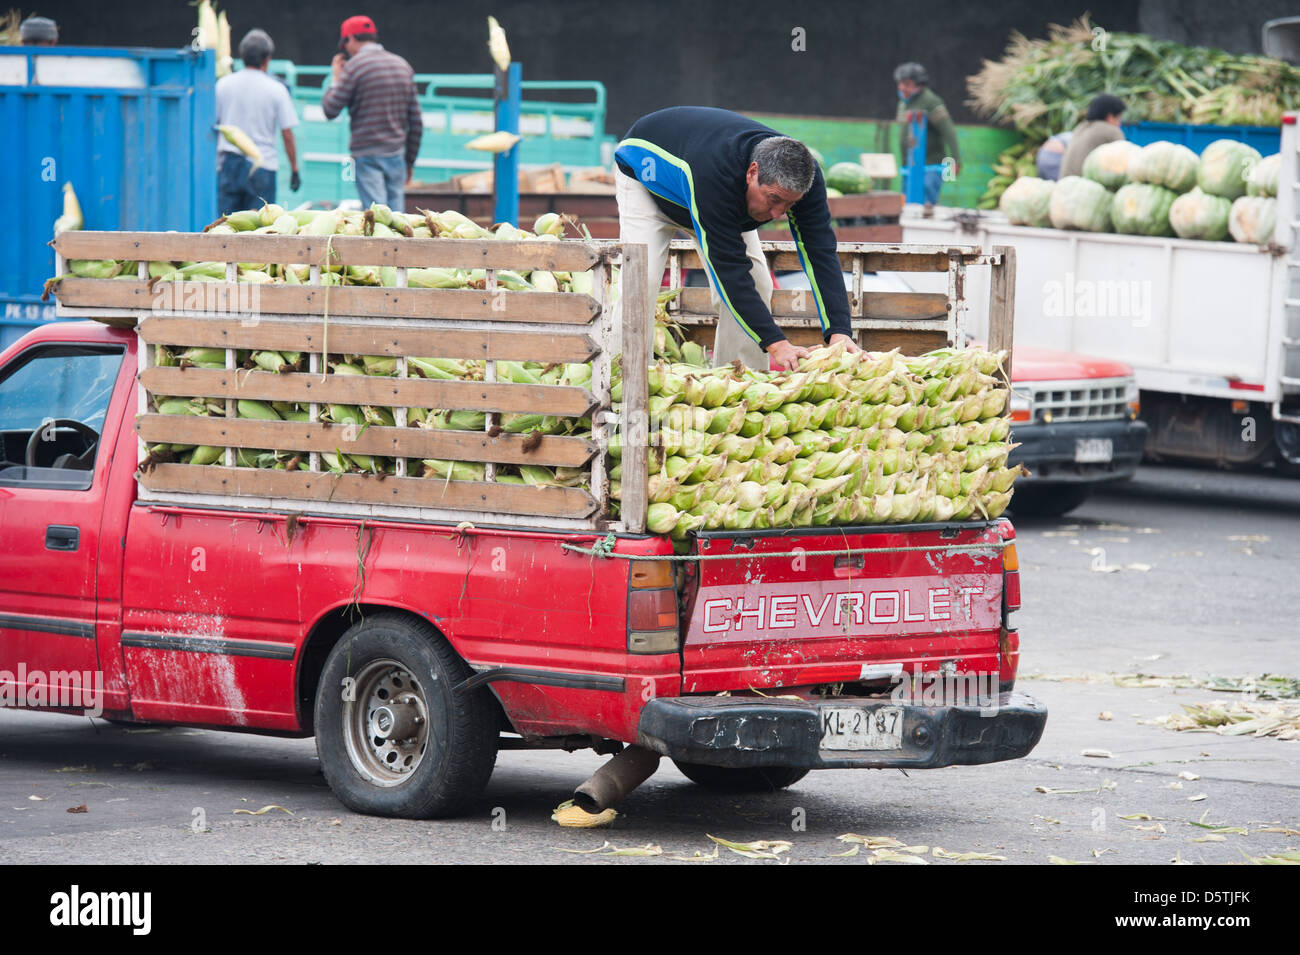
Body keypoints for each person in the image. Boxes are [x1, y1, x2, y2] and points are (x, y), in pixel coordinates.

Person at [614, 106, 858, 371]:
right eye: (773, 199)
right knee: (641, 282)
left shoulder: (806, 182)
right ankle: (621, 379)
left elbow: (820, 252)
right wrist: (776, 343)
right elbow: (729, 272)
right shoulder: (715, 175)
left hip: (717, 196)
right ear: (752, 172)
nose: (777, 214)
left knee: (758, 282)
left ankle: (739, 379)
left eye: (788, 205)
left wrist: (839, 330)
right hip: (647, 183)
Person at [322, 15, 422, 211]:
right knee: (397, 221)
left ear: (350, 39)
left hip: (367, 157)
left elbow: (330, 109)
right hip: (397, 156)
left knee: (377, 219)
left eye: (345, 44)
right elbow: (416, 122)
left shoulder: (355, 68)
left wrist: (336, 78)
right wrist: (409, 162)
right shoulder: (403, 66)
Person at [215, 29, 300, 216]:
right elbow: (287, 134)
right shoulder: (277, 89)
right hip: (263, 167)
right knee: (261, 228)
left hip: (229, 164)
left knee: (224, 227)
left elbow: (213, 125)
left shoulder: (223, 85)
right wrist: (294, 168)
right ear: (267, 59)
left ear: (242, 55)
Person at [894, 62, 960, 216]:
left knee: (925, 208)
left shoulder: (931, 101)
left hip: (930, 167)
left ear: (919, 85)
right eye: (900, 83)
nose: (902, 88)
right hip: (908, 166)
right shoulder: (903, 104)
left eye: (907, 84)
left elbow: (949, 131)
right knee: (907, 208)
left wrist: (955, 160)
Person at [1060, 94, 1126, 179]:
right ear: (1110, 117)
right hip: (1085, 186)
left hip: (1064, 183)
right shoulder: (1111, 130)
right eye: (1118, 118)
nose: (1119, 123)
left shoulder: (1080, 127)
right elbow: (1125, 159)